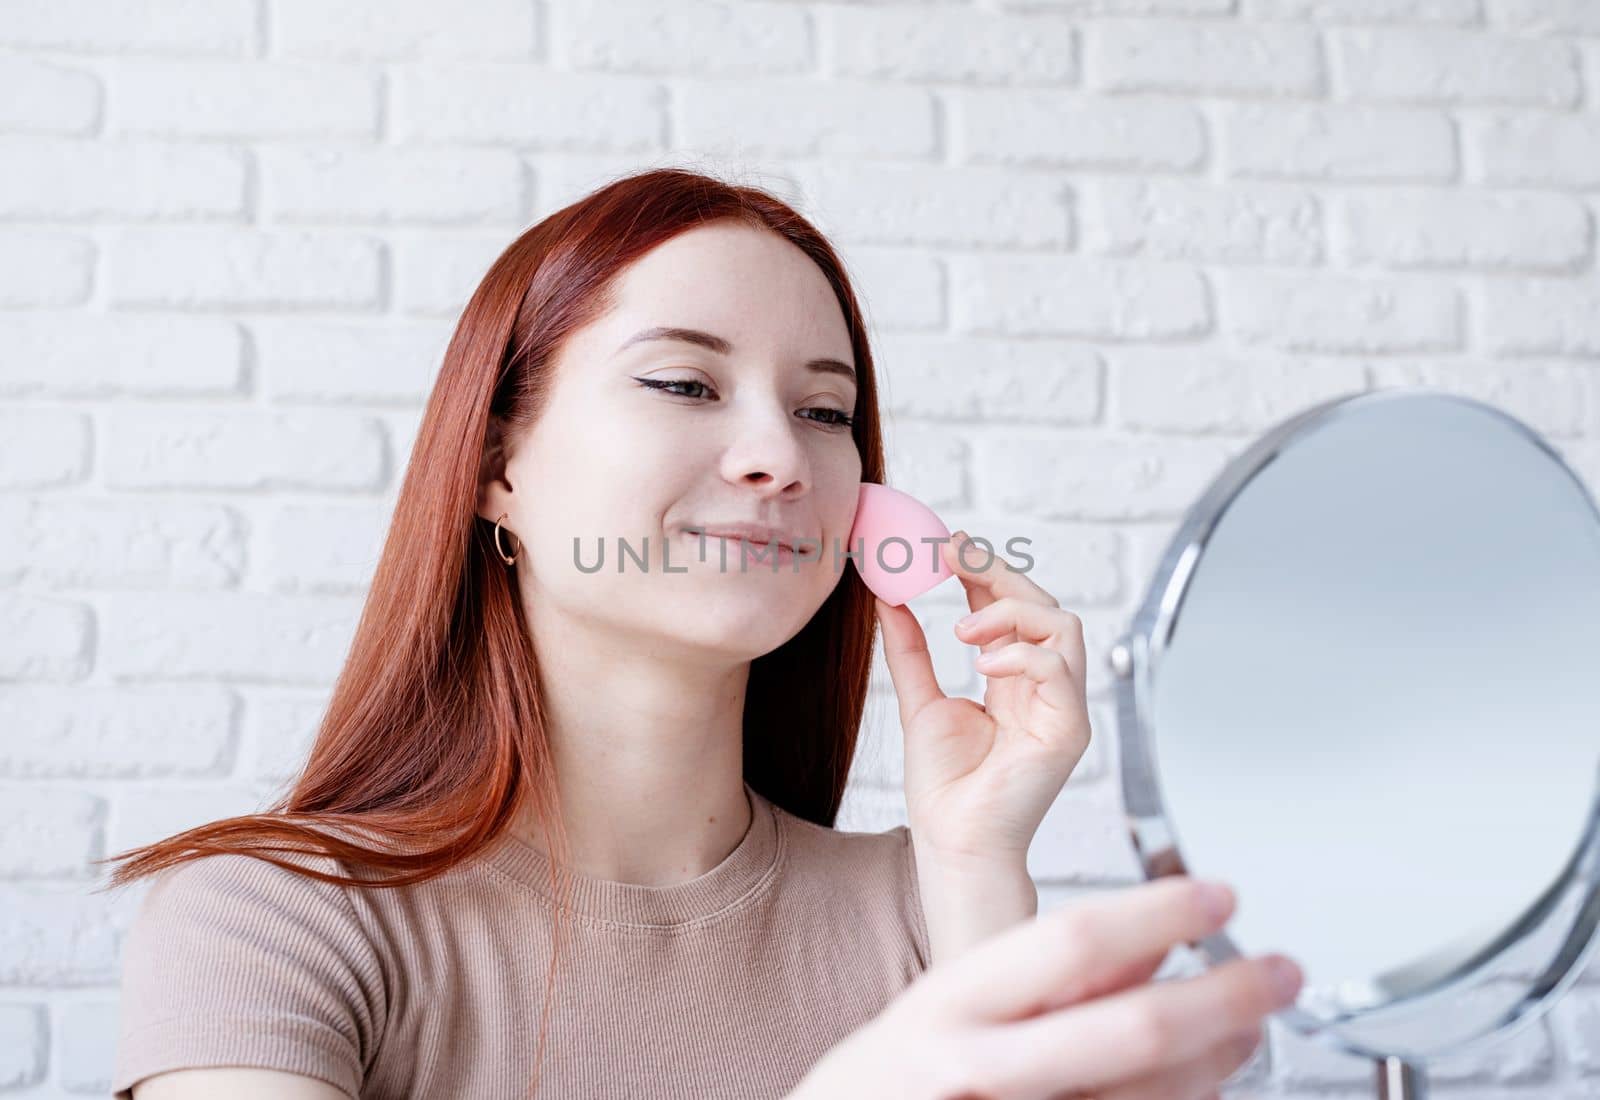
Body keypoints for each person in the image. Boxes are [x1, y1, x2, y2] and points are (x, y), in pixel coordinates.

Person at [99, 167, 1301, 1099]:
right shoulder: (273, 919)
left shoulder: (918, 901)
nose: (780, 455)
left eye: (825, 409)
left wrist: (977, 867)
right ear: (494, 465)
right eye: (683, 383)